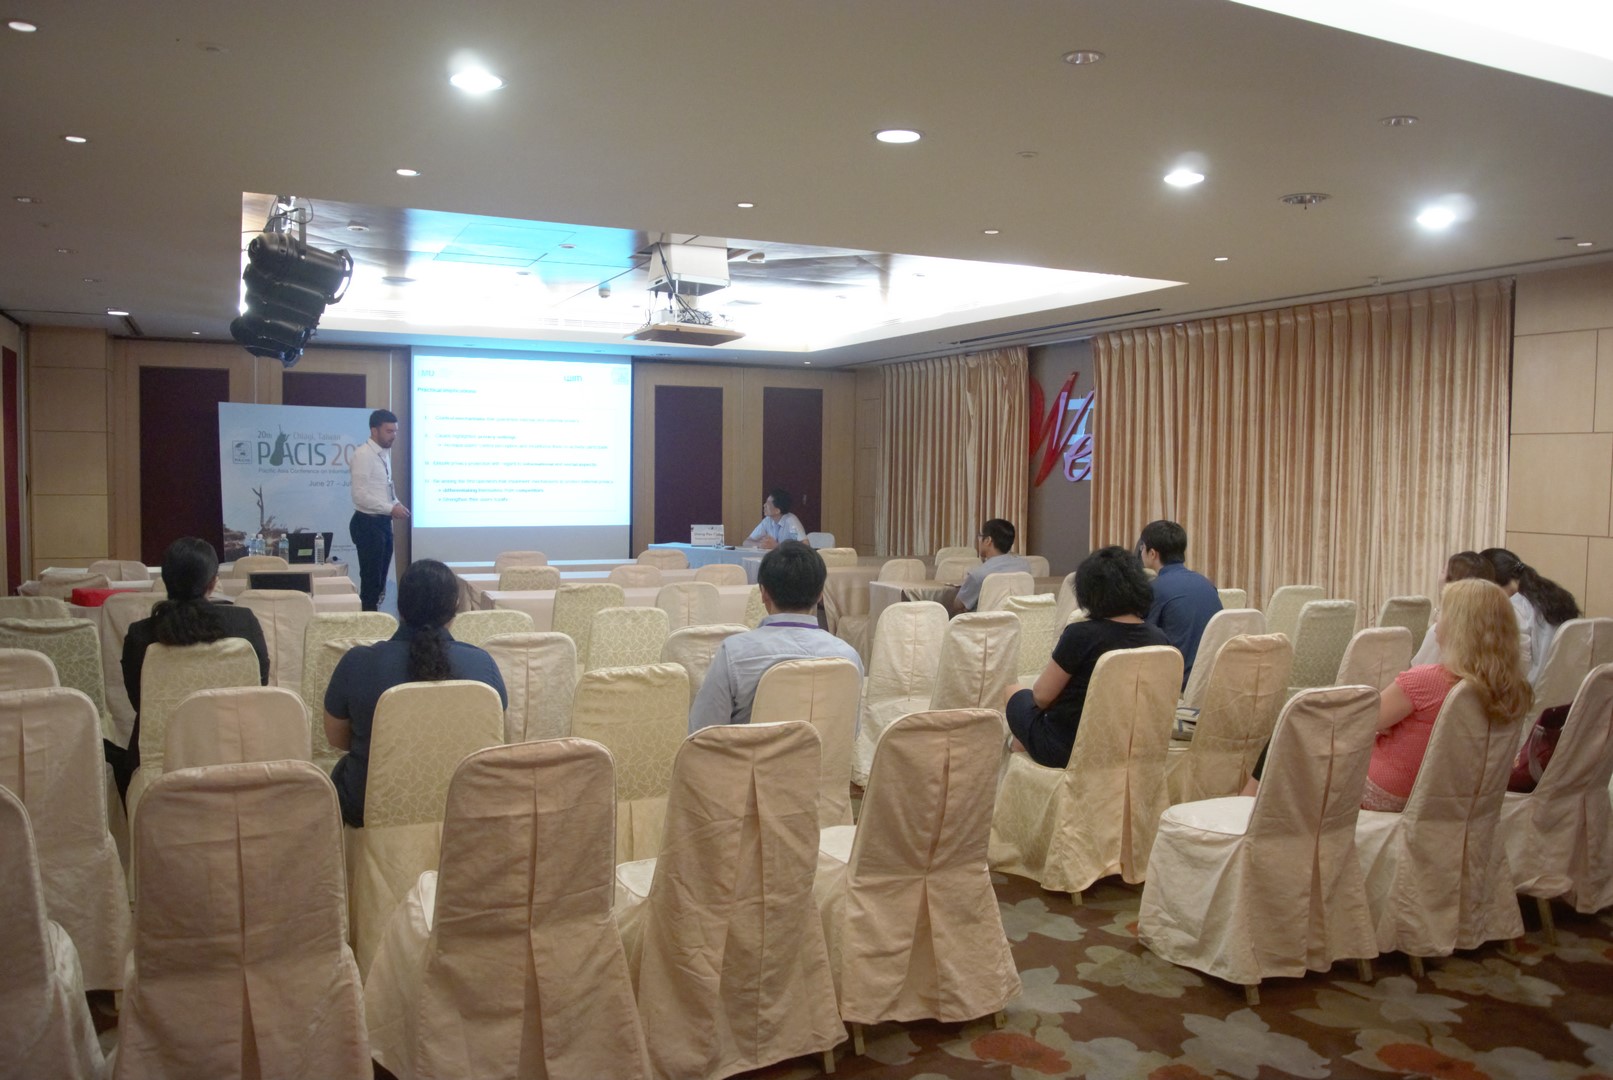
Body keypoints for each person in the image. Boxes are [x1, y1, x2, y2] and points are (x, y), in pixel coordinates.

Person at [324, 559, 506, 828]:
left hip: (371, 807)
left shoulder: (357, 662)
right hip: (462, 804)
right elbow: (492, 739)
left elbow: (337, 739)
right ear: (455, 607)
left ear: (400, 607)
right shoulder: (482, 665)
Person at [115, 536, 270, 797]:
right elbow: (258, 684)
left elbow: (140, 701)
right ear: (213, 582)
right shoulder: (244, 623)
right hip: (236, 752)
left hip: (159, 761)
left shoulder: (140, 634)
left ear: (165, 580)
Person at [1361, 578, 1532, 812]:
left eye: (1441, 612)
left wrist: (1386, 726)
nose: (1436, 620)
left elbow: (1363, 721)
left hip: (1392, 792)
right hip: (1457, 799)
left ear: (1457, 626)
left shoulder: (1425, 680)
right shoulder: (1512, 688)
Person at [1003, 546, 1170, 768]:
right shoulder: (1158, 638)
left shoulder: (1081, 634)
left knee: (1013, 692)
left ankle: (1021, 772)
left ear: (1089, 592)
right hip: (1128, 744)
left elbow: (1041, 696)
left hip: (1069, 748)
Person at [689, 540, 863, 732]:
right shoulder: (848, 657)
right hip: (824, 752)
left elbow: (704, 732)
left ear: (763, 593)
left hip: (755, 752)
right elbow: (851, 732)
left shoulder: (733, 653)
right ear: (821, 594)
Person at [1135, 519, 1221, 685]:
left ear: (1152, 553)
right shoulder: (1206, 583)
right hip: (1210, 681)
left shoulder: (1155, 589)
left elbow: (1142, 639)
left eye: (1142, 548)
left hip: (1177, 682)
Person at [1481, 548, 1580, 686]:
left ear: (1492, 584)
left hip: (1532, 691)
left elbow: (1517, 668)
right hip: (1566, 689)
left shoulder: (1514, 608)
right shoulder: (1556, 596)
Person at [350, 408, 410, 611]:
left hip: (383, 522)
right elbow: (359, 495)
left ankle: (374, 618)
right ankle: (368, 622)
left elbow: (385, 488)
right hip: (367, 523)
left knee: (380, 582)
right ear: (374, 430)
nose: (394, 436)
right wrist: (390, 508)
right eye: (389, 431)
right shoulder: (363, 455)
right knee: (371, 582)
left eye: (395, 431)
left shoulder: (383, 454)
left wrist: (396, 503)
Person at [954, 518, 1034, 611]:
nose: (979, 540)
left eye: (980, 536)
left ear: (988, 540)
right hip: (1016, 619)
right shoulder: (1025, 566)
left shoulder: (978, 574)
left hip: (985, 620)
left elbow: (958, 605)